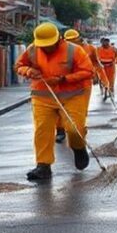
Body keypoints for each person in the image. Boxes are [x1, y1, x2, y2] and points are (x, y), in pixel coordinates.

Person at [15, 22, 94, 181]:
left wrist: (63, 79)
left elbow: (87, 71)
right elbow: (19, 65)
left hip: (73, 96)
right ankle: (43, 165)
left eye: (49, 45)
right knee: (42, 130)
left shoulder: (74, 51)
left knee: (74, 129)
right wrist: (29, 71)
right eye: (43, 45)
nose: (46, 48)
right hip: (42, 96)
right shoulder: (32, 50)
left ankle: (78, 148)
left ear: (58, 40)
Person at [96, 37, 117, 101]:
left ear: (108, 42)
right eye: (103, 42)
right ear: (101, 42)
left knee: (111, 80)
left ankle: (111, 93)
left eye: (106, 42)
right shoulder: (98, 49)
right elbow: (95, 57)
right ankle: (104, 92)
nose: (104, 43)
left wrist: (115, 60)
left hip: (111, 67)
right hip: (101, 67)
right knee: (102, 80)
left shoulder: (113, 48)